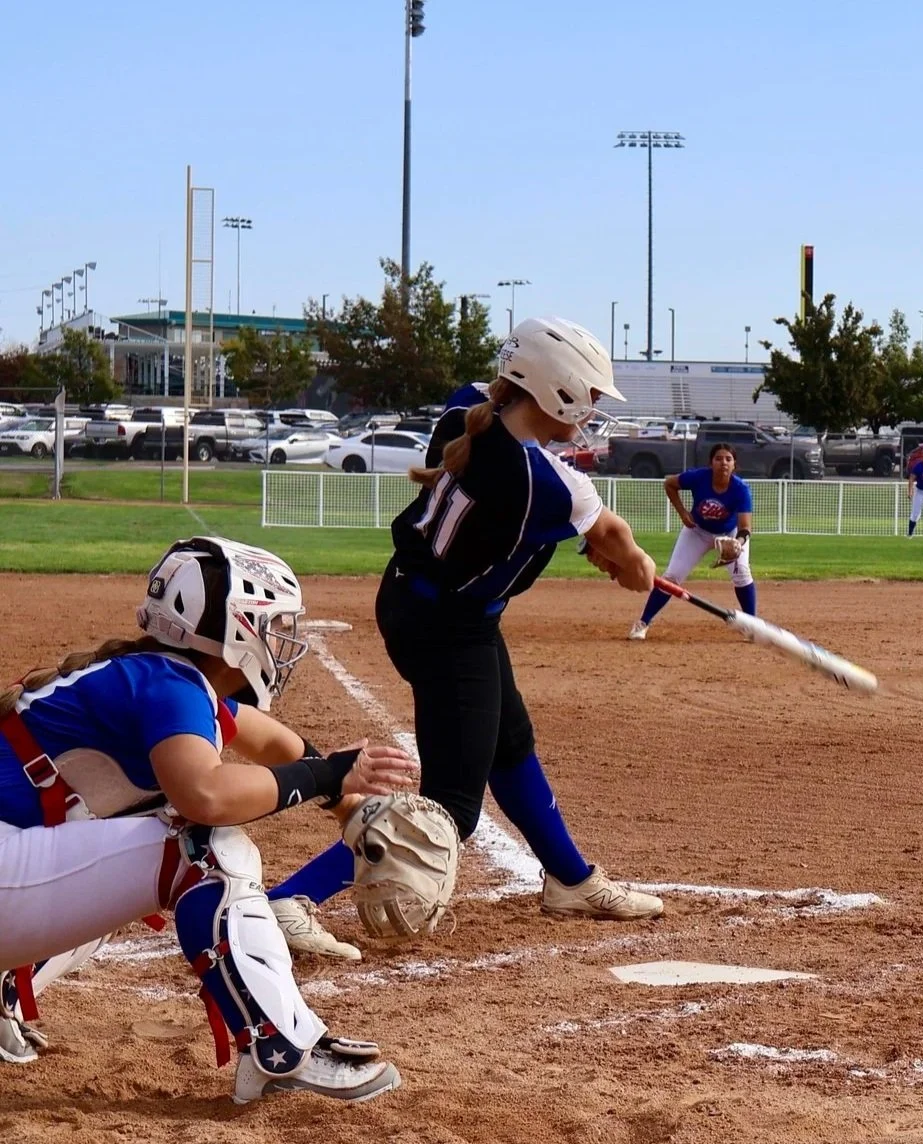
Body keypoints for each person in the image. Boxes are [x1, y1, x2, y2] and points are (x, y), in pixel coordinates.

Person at [0, 536, 411, 1102]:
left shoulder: (157, 677)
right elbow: (205, 795)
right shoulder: (170, 686)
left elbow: (269, 740)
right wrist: (324, 778)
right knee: (205, 848)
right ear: (234, 628)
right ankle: (281, 1050)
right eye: (271, 625)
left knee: (121, 859)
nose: (280, 641)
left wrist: (343, 798)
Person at [376, 315, 666, 922]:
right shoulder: (553, 486)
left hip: (414, 600)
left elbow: (537, 520)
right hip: (450, 630)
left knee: (509, 746)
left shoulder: (464, 412)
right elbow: (622, 547)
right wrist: (633, 567)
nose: (590, 409)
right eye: (586, 396)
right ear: (554, 391)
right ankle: (289, 899)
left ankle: (571, 879)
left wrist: (598, 548)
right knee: (453, 807)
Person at [629, 443, 756, 639]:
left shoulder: (740, 489)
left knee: (742, 574)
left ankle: (752, 626)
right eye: (719, 459)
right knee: (672, 577)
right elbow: (669, 484)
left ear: (734, 465)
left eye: (728, 459)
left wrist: (737, 543)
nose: (723, 463)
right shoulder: (699, 477)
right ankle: (643, 623)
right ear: (711, 463)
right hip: (697, 531)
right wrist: (682, 512)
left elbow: (745, 527)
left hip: (729, 534)